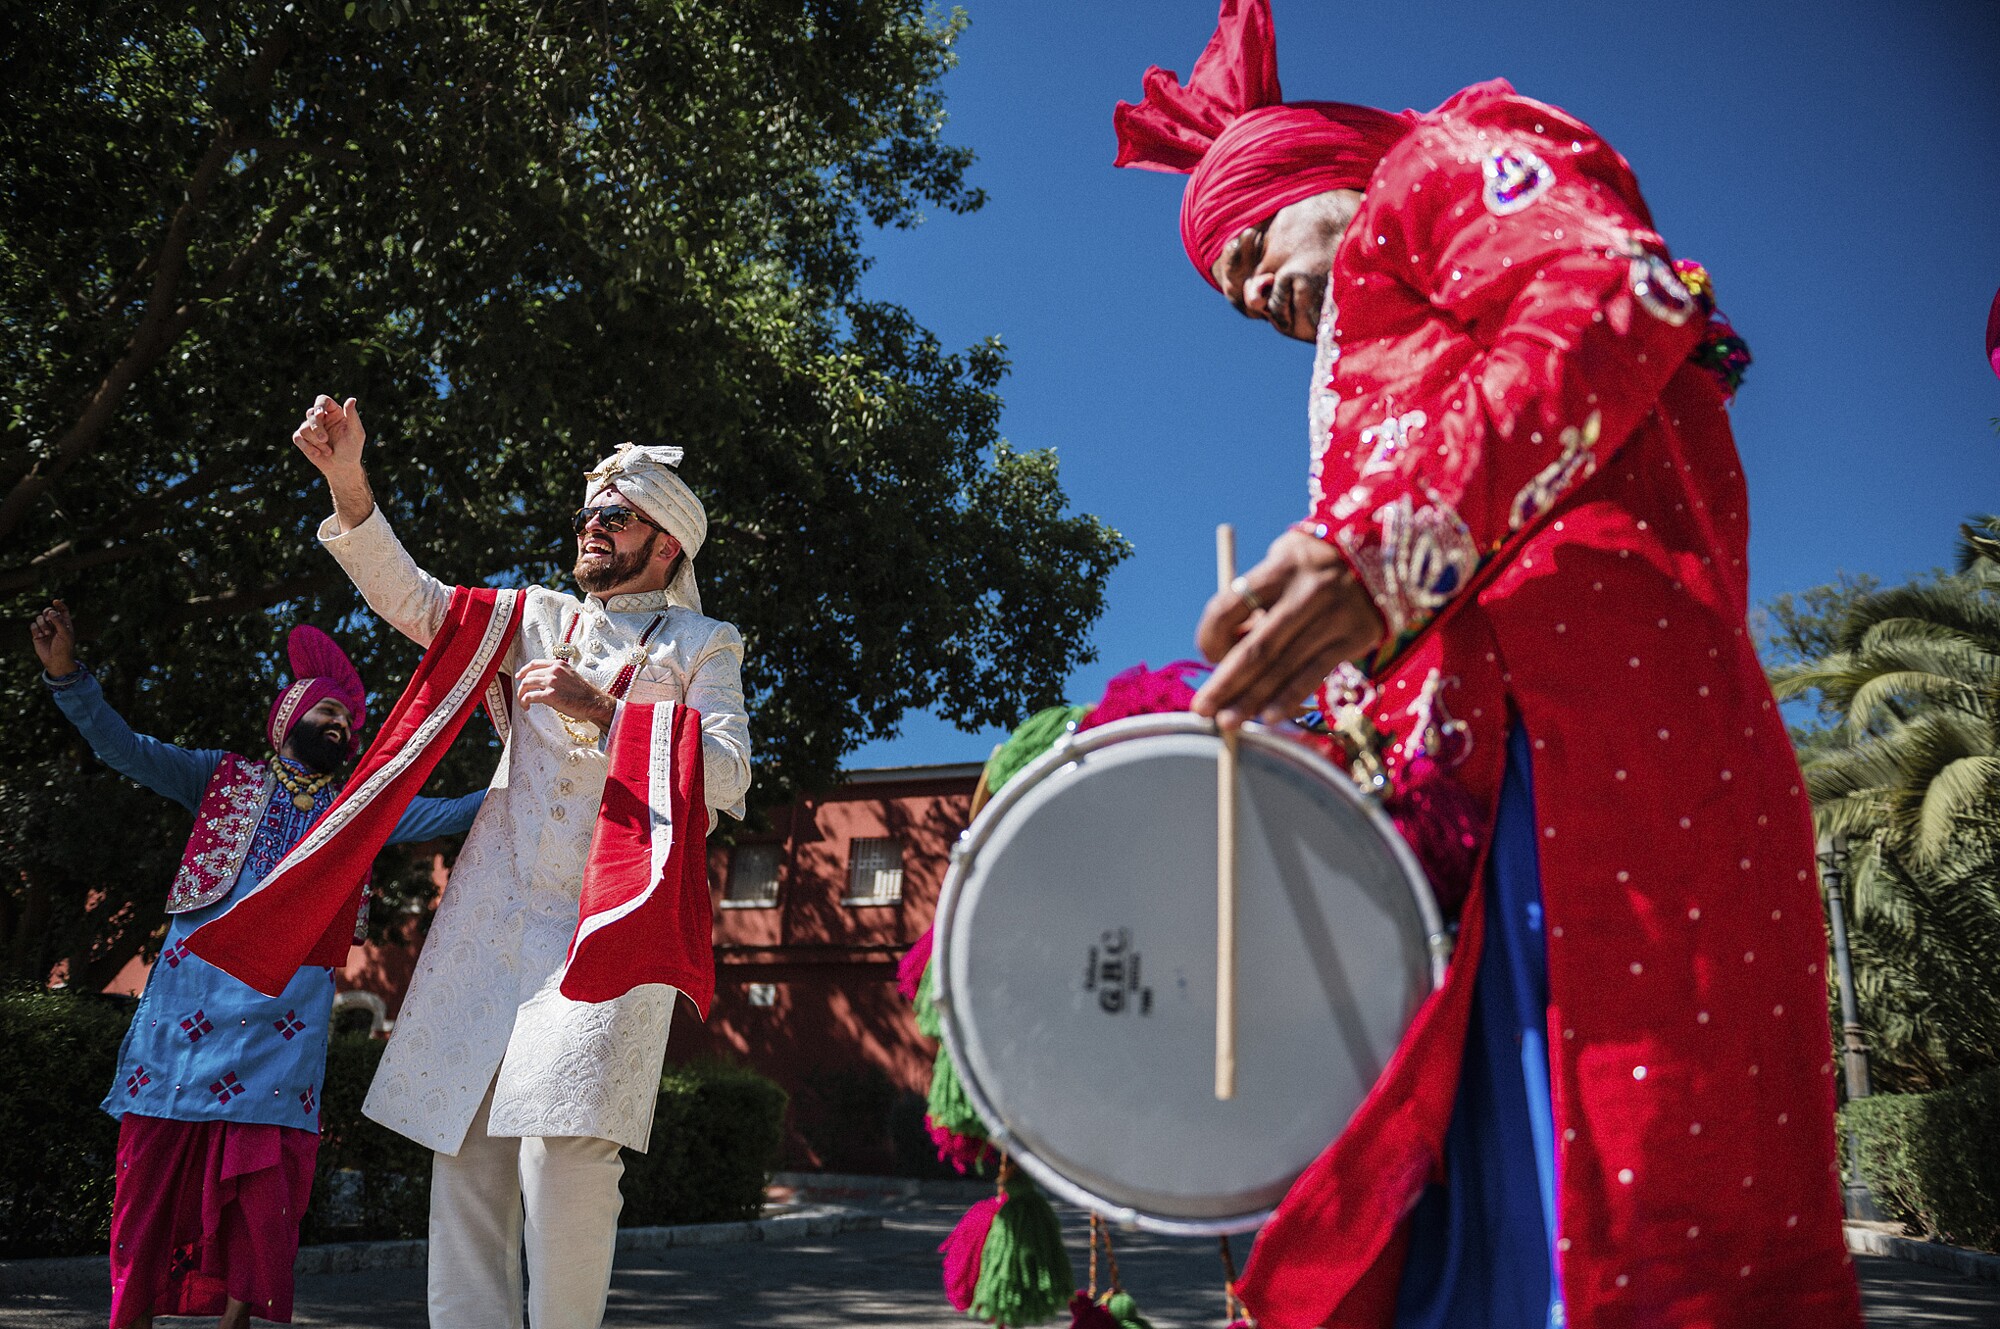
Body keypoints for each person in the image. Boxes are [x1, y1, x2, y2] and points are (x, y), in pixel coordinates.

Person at [1117, 3, 1860, 1327]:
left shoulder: (1445, 161)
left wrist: (1382, 550)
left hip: (1599, 793)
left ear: (1324, 171)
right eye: (1232, 299)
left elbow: (1605, 291)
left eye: (1253, 246)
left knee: (1616, 1231)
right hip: (1479, 837)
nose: (1255, 295)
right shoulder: (1379, 371)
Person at [284, 395, 752, 1329]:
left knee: (568, 1153)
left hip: (604, 930)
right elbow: (414, 601)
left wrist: (607, 711)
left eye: (613, 516)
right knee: (462, 1150)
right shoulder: (534, 616)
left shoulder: (707, 644)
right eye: (586, 515)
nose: (590, 528)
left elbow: (731, 775)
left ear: (667, 545)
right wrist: (349, 484)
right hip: (494, 919)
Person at [30, 603, 483, 1329]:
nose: (340, 724)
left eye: (347, 720)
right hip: (184, 1022)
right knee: (150, 1179)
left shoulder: (356, 809)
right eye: (326, 710)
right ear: (288, 716)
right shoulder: (219, 777)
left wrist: (539, 774)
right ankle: (133, 1313)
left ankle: (235, 1322)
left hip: (283, 1030)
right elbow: (125, 748)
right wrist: (68, 678)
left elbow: (449, 811)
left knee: (265, 1196)